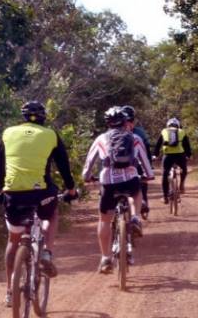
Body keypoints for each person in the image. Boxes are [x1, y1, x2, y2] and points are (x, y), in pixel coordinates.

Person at [0, 101, 77, 307]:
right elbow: (63, 165)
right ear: (43, 117)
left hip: (13, 194)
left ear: (23, 117)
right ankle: (46, 252)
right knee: (51, 215)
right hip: (42, 193)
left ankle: (9, 290)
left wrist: (0, 189)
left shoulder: (7, 133)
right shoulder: (50, 135)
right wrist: (71, 189)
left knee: (13, 240)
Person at [82, 106, 155, 273]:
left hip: (108, 182)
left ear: (107, 122)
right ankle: (136, 218)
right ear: (124, 121)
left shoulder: (101, 139)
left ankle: (106, 258)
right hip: (130, 180)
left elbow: (88, 165)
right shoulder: (135, 137)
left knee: (104, 220)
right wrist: (149, 175)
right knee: (136, 192)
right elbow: (145, 163)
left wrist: (87, 177)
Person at [121, 105, 153, 219]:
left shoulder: (110, 133)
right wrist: (149, 169)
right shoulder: (139, 133)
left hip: (112, 169)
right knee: (142, 182)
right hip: (135, 165)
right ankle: (143, 202)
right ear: (133, 120)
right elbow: (147, 151)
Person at [153, 118, 192, 202]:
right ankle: (181, 184)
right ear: (178, 125)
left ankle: (165, 197)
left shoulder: (164, 131)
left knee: (164, 174)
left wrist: (155, 155)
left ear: (168, 125)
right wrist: (188, 155)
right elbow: (187, 145)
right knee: (184, 169)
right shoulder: (182, 131)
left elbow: (158, 144)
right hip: (180, 155)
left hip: (168, 156)